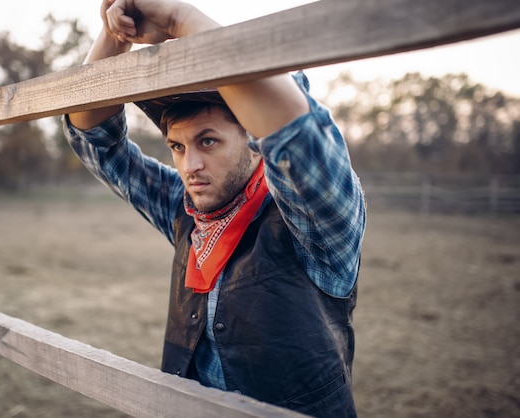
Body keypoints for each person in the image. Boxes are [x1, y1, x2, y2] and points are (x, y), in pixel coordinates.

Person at [63, 0, 366, 416]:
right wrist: (117, 37)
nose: (190, 166)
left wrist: (178, 18)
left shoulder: (311, 225)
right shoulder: (185, 206)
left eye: (208, 141)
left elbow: (300, 139)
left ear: (254, 136)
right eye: (177, 146)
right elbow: (96, 143)